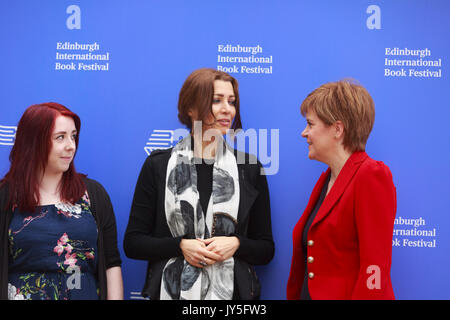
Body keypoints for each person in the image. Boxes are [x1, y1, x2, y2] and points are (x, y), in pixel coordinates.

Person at [124, 68, 274, 300]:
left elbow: (266, 248)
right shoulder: (158, 165)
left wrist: (235, 244)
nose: (227, 109)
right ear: (191, 108)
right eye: (216, 100)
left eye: (232, 102)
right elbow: (133, 243)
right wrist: (181, 246)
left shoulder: (250, 168)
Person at [0, 102, 123, 300]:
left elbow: (111, 263)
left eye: (73, 136)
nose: (71, 146)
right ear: (34, 142)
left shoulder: (94, 194)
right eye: (60, 137)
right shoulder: (6, 196)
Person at [286, 80, 397, 300]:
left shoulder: (370, 175)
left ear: (337, 129)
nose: (304, 133)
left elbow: (375, 268)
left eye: (310, 124)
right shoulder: (326, 179)